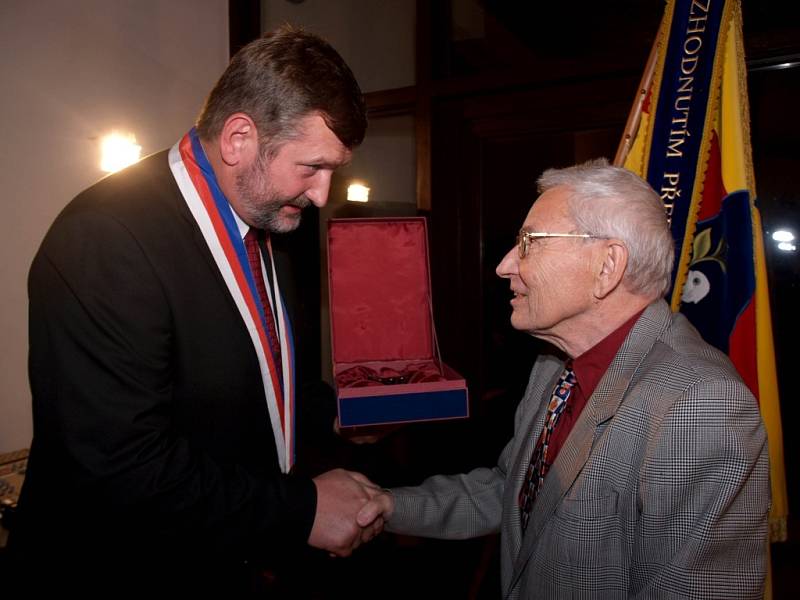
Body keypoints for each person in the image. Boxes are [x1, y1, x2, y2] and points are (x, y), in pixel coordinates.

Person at [11, 26, 383, 596]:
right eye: (312, 166)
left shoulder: (270, 224)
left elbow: (256, 378)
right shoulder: (105, 237)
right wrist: (300, 509)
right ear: (238, 138)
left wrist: (338, 414)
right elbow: (121, 467)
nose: (322, 195)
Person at [358, 159, 770, 599]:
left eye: (529, 242)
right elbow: (513, 490)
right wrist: (389, 505)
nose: (504, 265)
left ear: (607, 265)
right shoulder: (554, 365)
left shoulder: (701, 403)